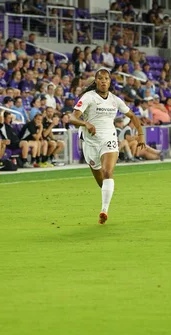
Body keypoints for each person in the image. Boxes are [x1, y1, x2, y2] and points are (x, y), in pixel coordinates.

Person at [69, 68, 145, 224]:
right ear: (96, 81)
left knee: (108, 171)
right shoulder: (88, 97)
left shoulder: (115, 100)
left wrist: (141, 134)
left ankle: (104, 210)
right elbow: (72, 117)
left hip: (109, 138)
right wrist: (85, 123)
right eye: (100, 78)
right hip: (90, 142)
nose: (103, 81)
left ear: (110, 82)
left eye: (106, 78)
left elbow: (132, 115)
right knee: (101, 181)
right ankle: (106, 193)